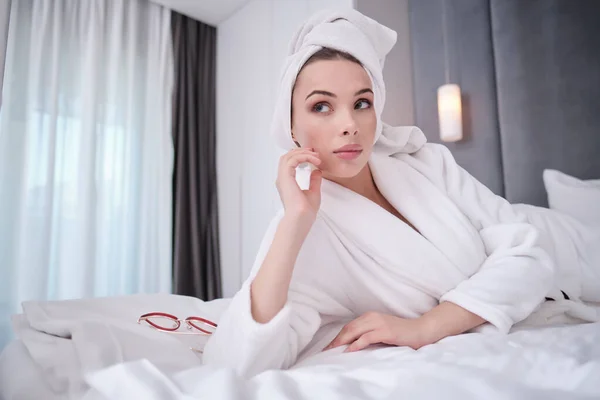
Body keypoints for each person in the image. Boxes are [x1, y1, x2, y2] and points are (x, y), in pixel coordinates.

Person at [202, 9, 600, 378]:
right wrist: (294, 222)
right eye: (321, 107)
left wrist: (427, 326)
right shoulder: (306, 230)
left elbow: (528, 250)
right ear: (290, 126)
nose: (349, 125)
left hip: (566, 247)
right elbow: (235, 362)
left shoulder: (426, 162)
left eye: (362, 103)